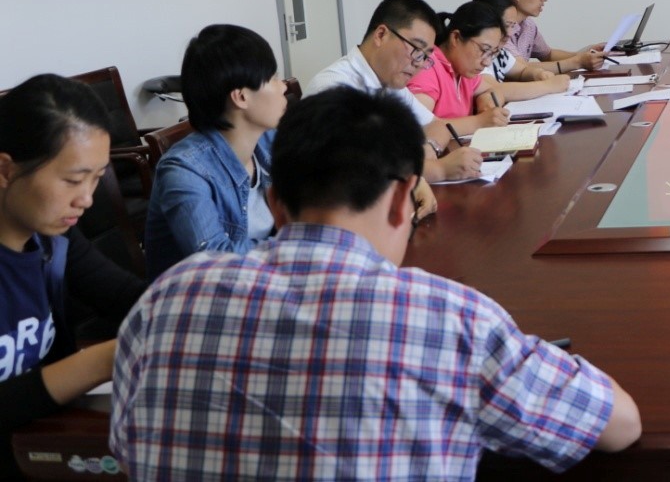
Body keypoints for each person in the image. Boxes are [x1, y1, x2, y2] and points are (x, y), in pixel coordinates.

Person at [110, 87, 642, 479]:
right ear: (402, 198)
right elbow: (620, 425)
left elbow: (125, 450)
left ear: (275, 204)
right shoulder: (449, 319)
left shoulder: (167, 299)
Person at [0, 75, 146, 478]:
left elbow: (130, 298)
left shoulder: (54, 241)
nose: (87, 199)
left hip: (47, 445)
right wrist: (100, 361)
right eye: (73, 180)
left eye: (97, 178)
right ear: (6, 169)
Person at [144, 24, 288, 279]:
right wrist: (296, 248)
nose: (283, 86)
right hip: (199, 296)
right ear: (241, 97)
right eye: (273, 78)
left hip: (261, 281)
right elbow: (213, 260)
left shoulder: (268, 140)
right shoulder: (184, 170)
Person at [308, 0, 482, 184]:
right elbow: (356, 168)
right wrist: (439, 170)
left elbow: (437, 125)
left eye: (425, 56)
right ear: (381, 35)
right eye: (416, 49)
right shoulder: (332, 87)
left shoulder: (390, 81)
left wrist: (430, 147)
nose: (419, 63)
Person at [406, 1, 512, 135]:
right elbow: (418, 128)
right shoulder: (427, 68)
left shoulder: (464, 71)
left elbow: (493, 89)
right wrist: (479, 122)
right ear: (456, 38)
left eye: (492, 53)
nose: (487, 62)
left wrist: (486, 101)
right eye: (484, 50)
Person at [501, 0, 607, 72]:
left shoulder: (528, 25)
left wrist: (587, 53)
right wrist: (578, 62)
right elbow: (520, 68)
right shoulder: (499, 27)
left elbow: (548, 55)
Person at [471, 0, 572, 102]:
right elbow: (495, 89)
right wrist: (548, 86)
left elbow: (522, 71)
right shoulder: (475, 56)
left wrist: (538, 74)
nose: (510, 33)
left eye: (512, 26)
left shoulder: (500, 53)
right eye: (507, 25)